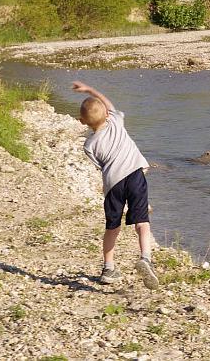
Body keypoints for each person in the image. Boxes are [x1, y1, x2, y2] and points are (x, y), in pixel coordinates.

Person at [73, 81, 158, 289]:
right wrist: (90, 89)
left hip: (113, 185)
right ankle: (145, 258)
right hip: (134, 175)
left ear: (83, 122)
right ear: (107, 114)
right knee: (142, 223)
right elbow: (107, 103)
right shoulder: (116, 121)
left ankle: (108, 268)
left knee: (112, 227)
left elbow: (100, 167)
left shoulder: (89, 145)